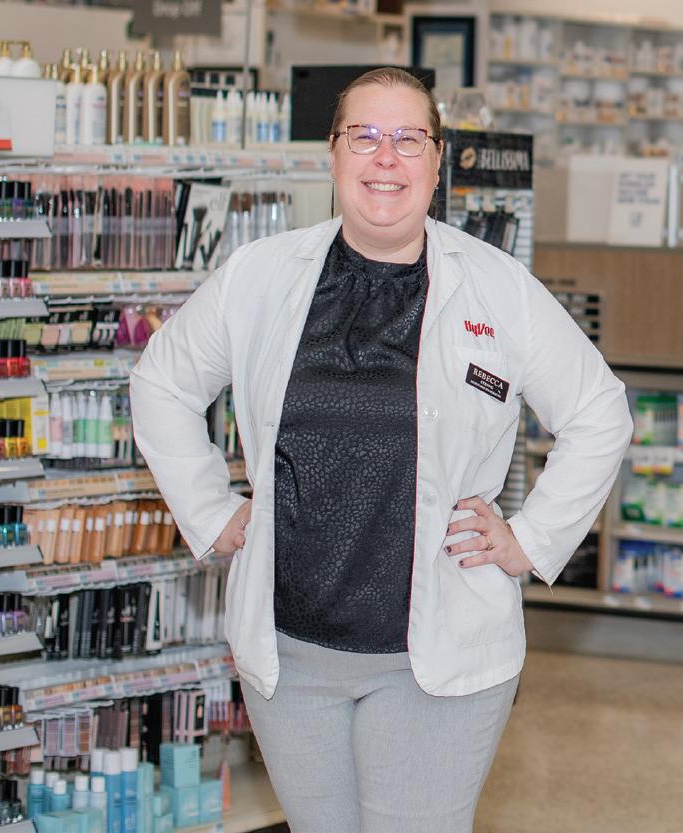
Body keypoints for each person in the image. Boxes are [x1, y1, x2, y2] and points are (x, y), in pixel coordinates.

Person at [130, 67, 632, 833]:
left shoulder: (496, 288)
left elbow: (599, 411)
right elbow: (161, 382)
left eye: (408, 138)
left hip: (434, 661)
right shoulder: (260, 276)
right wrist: (209, 508)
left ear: (437, 158)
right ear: (332, 155)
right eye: (363, 136)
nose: (385, 157)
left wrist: (530, 539)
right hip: (290, 658)